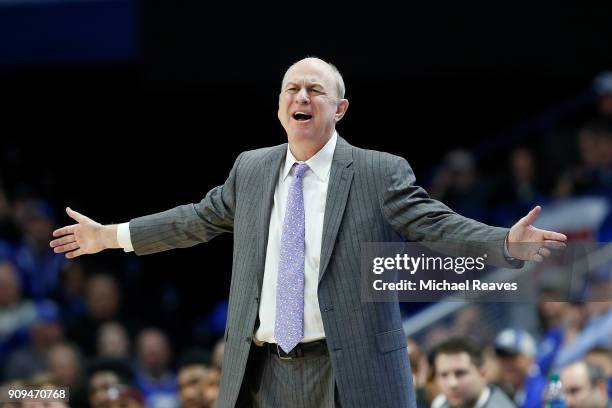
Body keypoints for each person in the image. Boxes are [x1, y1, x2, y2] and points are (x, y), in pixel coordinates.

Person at [50, 57, 567, 407]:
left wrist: (503, 242)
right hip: (264, 368)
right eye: (292, 89)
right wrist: (111, 236)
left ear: (338, 109)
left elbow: (436, 224)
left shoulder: (376, 171)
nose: (302, 96)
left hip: (349, 367)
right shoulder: (251, 170)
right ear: (280, 106)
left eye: (315, 90)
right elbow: (195, 219)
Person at [430, 337, 516, 408]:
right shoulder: (440, 403)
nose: (452, 383)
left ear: (482, 373)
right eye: (444, 375)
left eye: (460, 373)